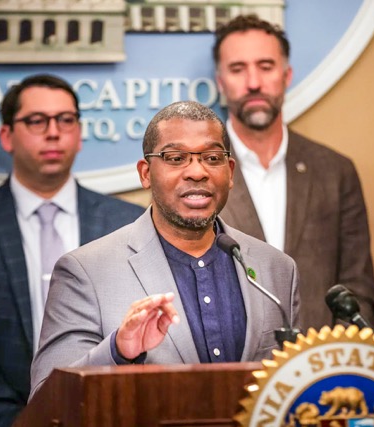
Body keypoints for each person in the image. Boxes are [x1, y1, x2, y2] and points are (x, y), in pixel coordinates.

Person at [29, 100, 300, 396]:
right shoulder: (86, 272)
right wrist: (118, 351)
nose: (197, 172)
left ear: (230, 171)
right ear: (145, 173)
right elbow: (46, 398)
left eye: (212, 158)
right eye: (175, 158)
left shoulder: (276, 269)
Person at [0, 74, 144, 427]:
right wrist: (20, 423)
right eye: (37, 121)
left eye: (65, 120)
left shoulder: (129, 223)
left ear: (79, 133)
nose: (53, 132)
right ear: (7, 136)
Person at [212, 14, 374, 330]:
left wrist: (332, 364)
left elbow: (359, 288)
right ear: (221, 83)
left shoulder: (334, 171)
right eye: (237, 69)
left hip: (324, 370)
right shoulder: (200, 172)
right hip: (233, 372)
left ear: (286, 76)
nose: (253, 83)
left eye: (265, 66)